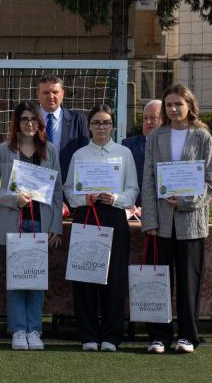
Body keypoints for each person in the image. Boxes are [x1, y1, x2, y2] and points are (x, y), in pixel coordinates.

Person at [141, 84, 212, 354]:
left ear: (189, 106)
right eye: (169, 104)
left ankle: (187, 336)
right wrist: (149, 219)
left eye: (178, 104)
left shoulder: (203, 137)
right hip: (160, 223)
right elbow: (148, 179)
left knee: (188, 282)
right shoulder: (155, 137)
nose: (173, 109)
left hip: (191, 223)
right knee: (159, 279)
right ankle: (159, 336)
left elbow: (211, 181)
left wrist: (186, 202)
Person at [0, 101, 63, 350]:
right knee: (17, 278)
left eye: (33, 119)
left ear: (40, 123)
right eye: (24, 119)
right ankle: (18, 330)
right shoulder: (5, 151)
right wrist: (12, 199)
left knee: (36, 279)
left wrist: (57, 226)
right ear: (16, 123)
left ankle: (34, 330)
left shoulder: (49, 150)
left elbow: (58, 192)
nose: (29, 123)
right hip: (14, 223)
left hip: (41, 223)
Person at [63, 104, 139, 352]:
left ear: (113, 126)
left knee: (114, 278)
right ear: (89, 126)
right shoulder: (80, 155)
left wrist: (115, 198)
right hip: (87, 215)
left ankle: (110, 336)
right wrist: (83, 199)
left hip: (115, 217)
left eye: (106, 122)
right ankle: (87, 335)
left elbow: (133, 190)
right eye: (96, 122)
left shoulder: (123, 153)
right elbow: (68, 189)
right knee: (85, 276)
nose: (101, 127)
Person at [37, 75, 89, 185]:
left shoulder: (78, 120)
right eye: (46, 92)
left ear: (63, 93)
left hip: (68, 186)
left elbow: (85, 156)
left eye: (55, 92)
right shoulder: (28, 120)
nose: (51, 96)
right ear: (38, 94)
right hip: (36, 186)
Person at [121, 100, 162, 207]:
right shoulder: (128, 145)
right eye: (145, 118)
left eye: (153, 118)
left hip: (166, 208)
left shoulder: (174, 145)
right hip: (134, 208)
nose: (148, 122)